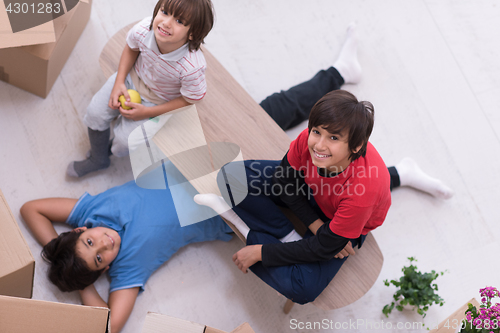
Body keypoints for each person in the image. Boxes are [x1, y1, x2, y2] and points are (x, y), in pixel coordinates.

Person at [194, 25, 454, 304]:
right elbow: (284, 181)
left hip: (345, 216)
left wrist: (261, 253)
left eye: (333, 138)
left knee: (302, 289)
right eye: (317, 131)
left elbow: (324, 247)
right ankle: (287, 235)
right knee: (229, 177)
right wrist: (315, 227)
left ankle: (251, 233)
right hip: (319, 200)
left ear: (355, 146)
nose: (318, 144)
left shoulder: (361, 193)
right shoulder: (310, 140)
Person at [20, 170, 233, 333]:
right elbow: (109, 326)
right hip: (229, 204)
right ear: (104, 270)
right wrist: (82, 282)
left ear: (80, 229)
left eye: (89, 242)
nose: (104, 243)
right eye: (99, 258)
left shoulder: (92, 211)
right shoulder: (128, 266)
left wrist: (58, 250)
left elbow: (31, 209)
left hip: (193, 162)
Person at [67, 0, 214, 178]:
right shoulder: (144, 29)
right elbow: (131, 48)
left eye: (180, 21)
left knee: (124, 142)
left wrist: (146, 112)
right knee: (95, 113)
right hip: (131, 79)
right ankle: (99, 158)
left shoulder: (192, 67)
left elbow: (190, 99)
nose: (166, 23)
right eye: (165, 12)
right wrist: (119, 82)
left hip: (160, 102)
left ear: (193, 33)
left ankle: (105, 152)